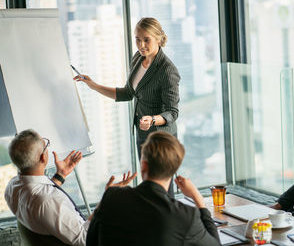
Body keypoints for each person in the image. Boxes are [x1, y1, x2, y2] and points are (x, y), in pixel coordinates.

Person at [74, 17, 180, 197]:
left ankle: (167, 224)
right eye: (138, 39)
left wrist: (153, 119)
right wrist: (93, 85)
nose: (141, 44)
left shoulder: (167, 71)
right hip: (143, 135)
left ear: (159, 39)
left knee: (163, 192)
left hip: (162, 139)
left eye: (146, 39)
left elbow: (172, 112)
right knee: (150, 188)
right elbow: (128, 93)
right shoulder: (138, 59)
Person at [86, 131, 221, 246]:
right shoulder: (186, 216)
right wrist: (198, 198)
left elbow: (90, 241)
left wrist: (107, 197)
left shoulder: (112, 196)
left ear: (144, 165)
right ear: (174, 169)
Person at [5, 129, 136, 246]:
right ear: (42, 158)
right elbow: (86, 238)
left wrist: (60, 175)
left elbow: (38, 201)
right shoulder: (48, 202)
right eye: (46, 145)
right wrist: (107, 198)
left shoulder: (12, 187)